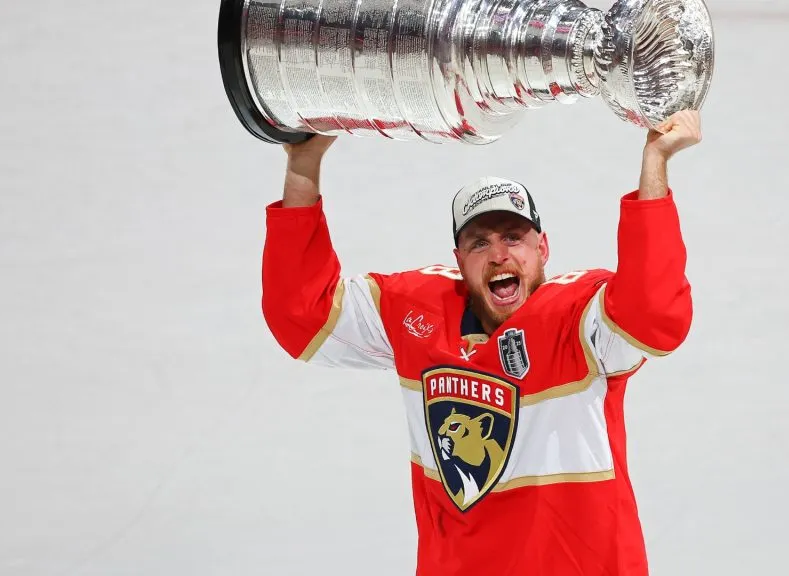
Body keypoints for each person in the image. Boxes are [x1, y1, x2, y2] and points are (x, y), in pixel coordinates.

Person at [260, 110, 702, 576]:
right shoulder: (418, 314)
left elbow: (654, 314)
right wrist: (303, 166)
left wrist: (654, 162)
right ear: (458, 259)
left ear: (542, 248)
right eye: (479, 243)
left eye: (514, 237)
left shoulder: (577, 322)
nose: (499, 255)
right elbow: (301, 316)